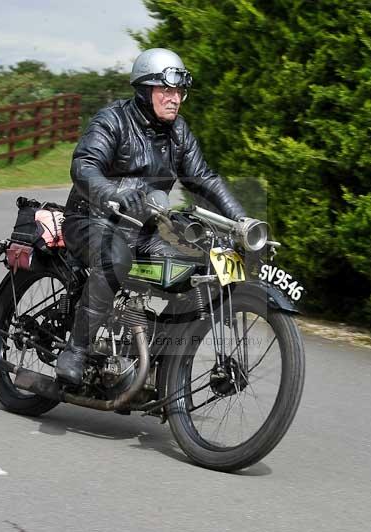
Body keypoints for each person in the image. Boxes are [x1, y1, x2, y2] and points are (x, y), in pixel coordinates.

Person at [56, 48, 247, 385]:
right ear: (145, 90)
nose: (175, 99)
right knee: (114, 258)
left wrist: (241, 220)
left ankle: (157, 356)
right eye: (166, 91)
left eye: (179, 92)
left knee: (196, 264)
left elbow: (204, 179)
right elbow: (84, 165)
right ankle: (78, 348)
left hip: (143, 226)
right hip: (92, 217)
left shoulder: (179, 132)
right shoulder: (113, 120)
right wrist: (112, 193)